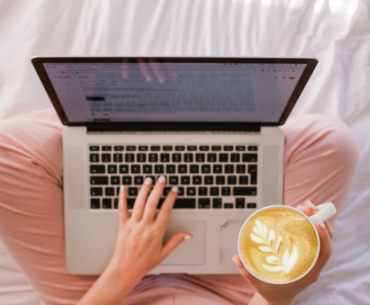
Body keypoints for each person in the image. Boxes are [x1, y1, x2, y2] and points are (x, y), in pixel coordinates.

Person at [0, 108, 359, 305]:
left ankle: (125, 112)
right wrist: (277, 295)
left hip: (101, 291)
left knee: (5, 151)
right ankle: (198, 114)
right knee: (332, 140)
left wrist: (122, 271)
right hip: (235, 293)